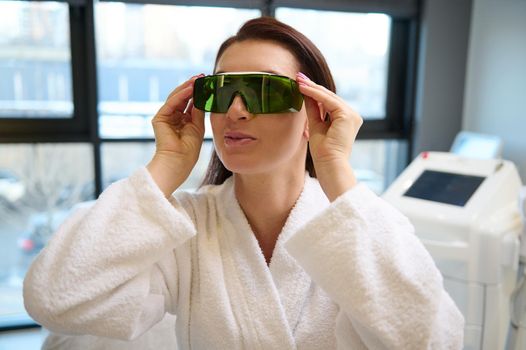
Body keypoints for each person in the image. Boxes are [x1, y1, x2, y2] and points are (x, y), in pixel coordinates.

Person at [23, 17, 464, 349]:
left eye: (263, 91)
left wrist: (336, 170)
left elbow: (430, 339)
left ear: (314, 113)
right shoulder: (188, 229)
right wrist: (168, 163)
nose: (235, 111)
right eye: (220, 90)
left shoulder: (353, 234)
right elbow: (55, 297)